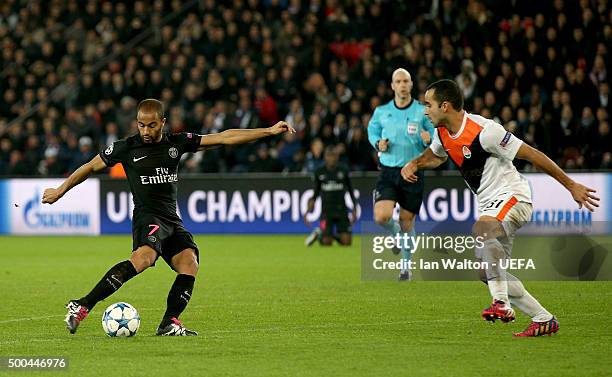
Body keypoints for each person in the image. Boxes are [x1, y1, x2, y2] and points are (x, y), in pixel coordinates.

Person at [42, 99, 295, 336]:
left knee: (189, 263)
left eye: (152, 125)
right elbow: (89, 166)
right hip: (147, 216)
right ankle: (82, 305)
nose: (146, 131)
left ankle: (169, 322)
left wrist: (268, 131)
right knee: (143, 259)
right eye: (141, 125)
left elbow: (224, 137)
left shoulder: (177, 143)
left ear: (162, 122)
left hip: (171, 220)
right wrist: (60, 191)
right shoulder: (126, 148)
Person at [401, 79, 599, 336]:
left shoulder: (486, 131)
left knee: (482, 230)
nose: (425, 110)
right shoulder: (441, 132)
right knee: (487, 271)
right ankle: (543, 318)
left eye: (429, 104)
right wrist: (415, 163)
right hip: (489, 203)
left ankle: (501, 304)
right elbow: (437, 155)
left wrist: (571, 185)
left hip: (513, 196)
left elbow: (532, 154)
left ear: (445, 106)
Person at [367, 68, 435, 280]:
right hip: (388, 170)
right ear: (393, 86)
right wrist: (378, 143)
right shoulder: (382, 111)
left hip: (413, 170)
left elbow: (434, 134)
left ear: (411, 84)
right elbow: (372, 131)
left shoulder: (422, 111)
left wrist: (427, 139)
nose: (403, 85)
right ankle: (395, 233)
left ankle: (405, 267)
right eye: (399, 81)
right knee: (381, 217)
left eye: (406, 81)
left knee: (407, 222)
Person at [304, 145, 357, 246]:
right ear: (325, 157)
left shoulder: (343, 170)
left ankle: (326, 233)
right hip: (326, 211)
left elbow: (350, 191)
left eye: (334, 155)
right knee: (326, 243)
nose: (331, 158)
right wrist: (307, 212)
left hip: (341, 210)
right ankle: (321, 234)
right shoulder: (319, 172)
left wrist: (355, 208)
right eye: (329, 155)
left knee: (347, 242)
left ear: (337, 157)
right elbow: (315, 193)